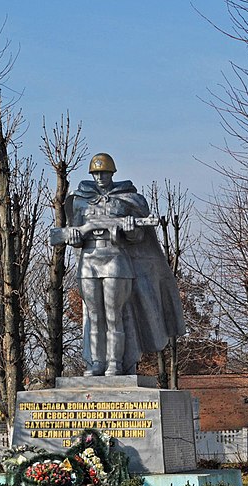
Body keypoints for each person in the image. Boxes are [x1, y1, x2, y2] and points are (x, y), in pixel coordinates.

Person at [64, 152, 185, 376]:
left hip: (115, 258)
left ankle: (114, 362)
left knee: (114, 314)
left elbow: (138, 238)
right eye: (97, 172)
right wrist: (75, 236)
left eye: (105, 172)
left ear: (112, 173)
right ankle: (96, 362)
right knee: (94, 315)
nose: (100, 177)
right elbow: (75, 235)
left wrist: (131, 230)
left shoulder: (126, 199)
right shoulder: (81, 200)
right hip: (89, 260)